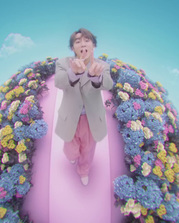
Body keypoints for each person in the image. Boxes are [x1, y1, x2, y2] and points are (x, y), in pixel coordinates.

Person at [54, 28, 113, 186]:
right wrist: (73, 72)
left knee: (87, 150)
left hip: (91, 118)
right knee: (70, 149)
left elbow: (108, 84)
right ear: (73, 48)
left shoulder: (102, 65)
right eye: (77, 41)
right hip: (70, 116)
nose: (82, 44)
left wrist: (96, 77)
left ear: (93, 46)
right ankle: (72, 157)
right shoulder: (63, 63)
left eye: (87, 40)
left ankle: (84, 170)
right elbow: (58, 82)